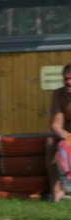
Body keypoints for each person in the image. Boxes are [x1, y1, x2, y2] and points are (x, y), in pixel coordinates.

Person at [47, 64, 71, 202]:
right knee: (50, 142)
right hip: (68, 134)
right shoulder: (59, 94)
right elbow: (56, 125)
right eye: (66, 79)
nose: (68, 82)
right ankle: (56, 190)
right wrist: (67, 137)